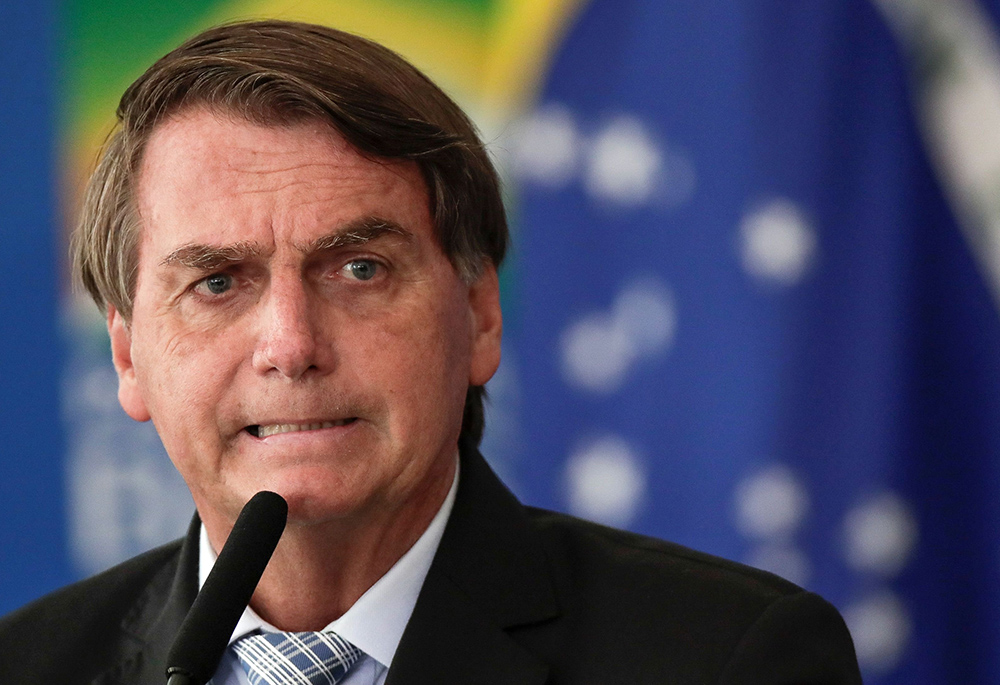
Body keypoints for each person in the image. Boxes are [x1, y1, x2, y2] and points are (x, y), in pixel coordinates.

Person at [0, 19, 861, 685]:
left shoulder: (728, 658)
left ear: (480, 313)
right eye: (219, 283)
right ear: (127, 356)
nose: (292, 345)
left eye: (360, 268)